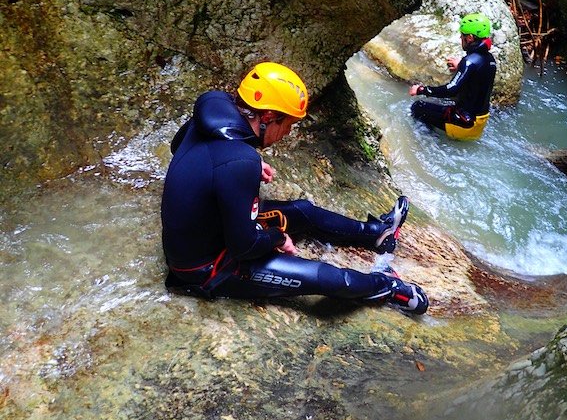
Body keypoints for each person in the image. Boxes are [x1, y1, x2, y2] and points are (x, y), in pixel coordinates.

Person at [161, 61, 428, 314]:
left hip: (208, 224)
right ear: (267, 116)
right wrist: (277, 237)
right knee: (322, 276)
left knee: (302, 211)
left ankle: (376, 235)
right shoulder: (239, 160)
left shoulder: (213, 113)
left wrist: (236, 167)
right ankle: (387, 287)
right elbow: (244, 247)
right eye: (287, 123)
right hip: (207, 268)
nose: (288, 132)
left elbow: (179, 147)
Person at [409, 12, 497, 140]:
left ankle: (430, 141)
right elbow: (477, 73)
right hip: (479, 125)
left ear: (470, 38)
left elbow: (451, 89)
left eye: (462, 36)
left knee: (418, 107)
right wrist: (462, 65)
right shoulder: (490, 60)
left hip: (463, 125)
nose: (460, 39)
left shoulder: (469, 62)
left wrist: (422, 90)